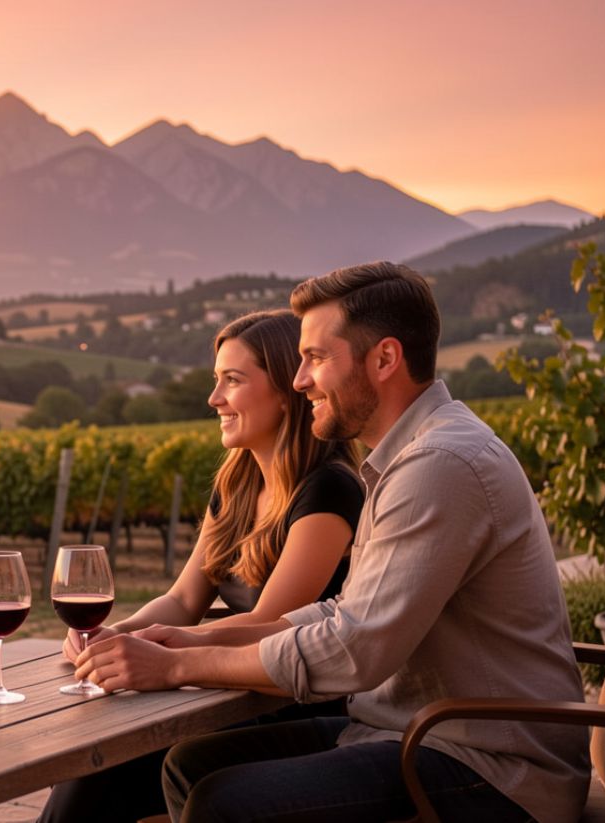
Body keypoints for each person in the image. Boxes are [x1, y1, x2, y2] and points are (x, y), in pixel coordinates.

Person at [75, 262, 591, 822]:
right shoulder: (409, 457)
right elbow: (346, 612)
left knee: (224, 805)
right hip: (407, 729)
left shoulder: (439, 464)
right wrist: (182, 640)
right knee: (185, 765)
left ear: (385, 359)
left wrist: (177, 667)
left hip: (488, 766)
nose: (300, 381)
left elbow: (355, 648)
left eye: (316, 358)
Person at [41, 309, 363, 823]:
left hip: (292, 707)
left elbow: (269, 626)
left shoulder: (328, 488)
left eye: (232, 381)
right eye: (216, 381)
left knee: (108, 767)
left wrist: (153, 649)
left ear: (285, 392)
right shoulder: (236, 485)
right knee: (94, 761)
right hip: (225, 694)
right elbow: (184, 600)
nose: (214, 399)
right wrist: (110, 633)